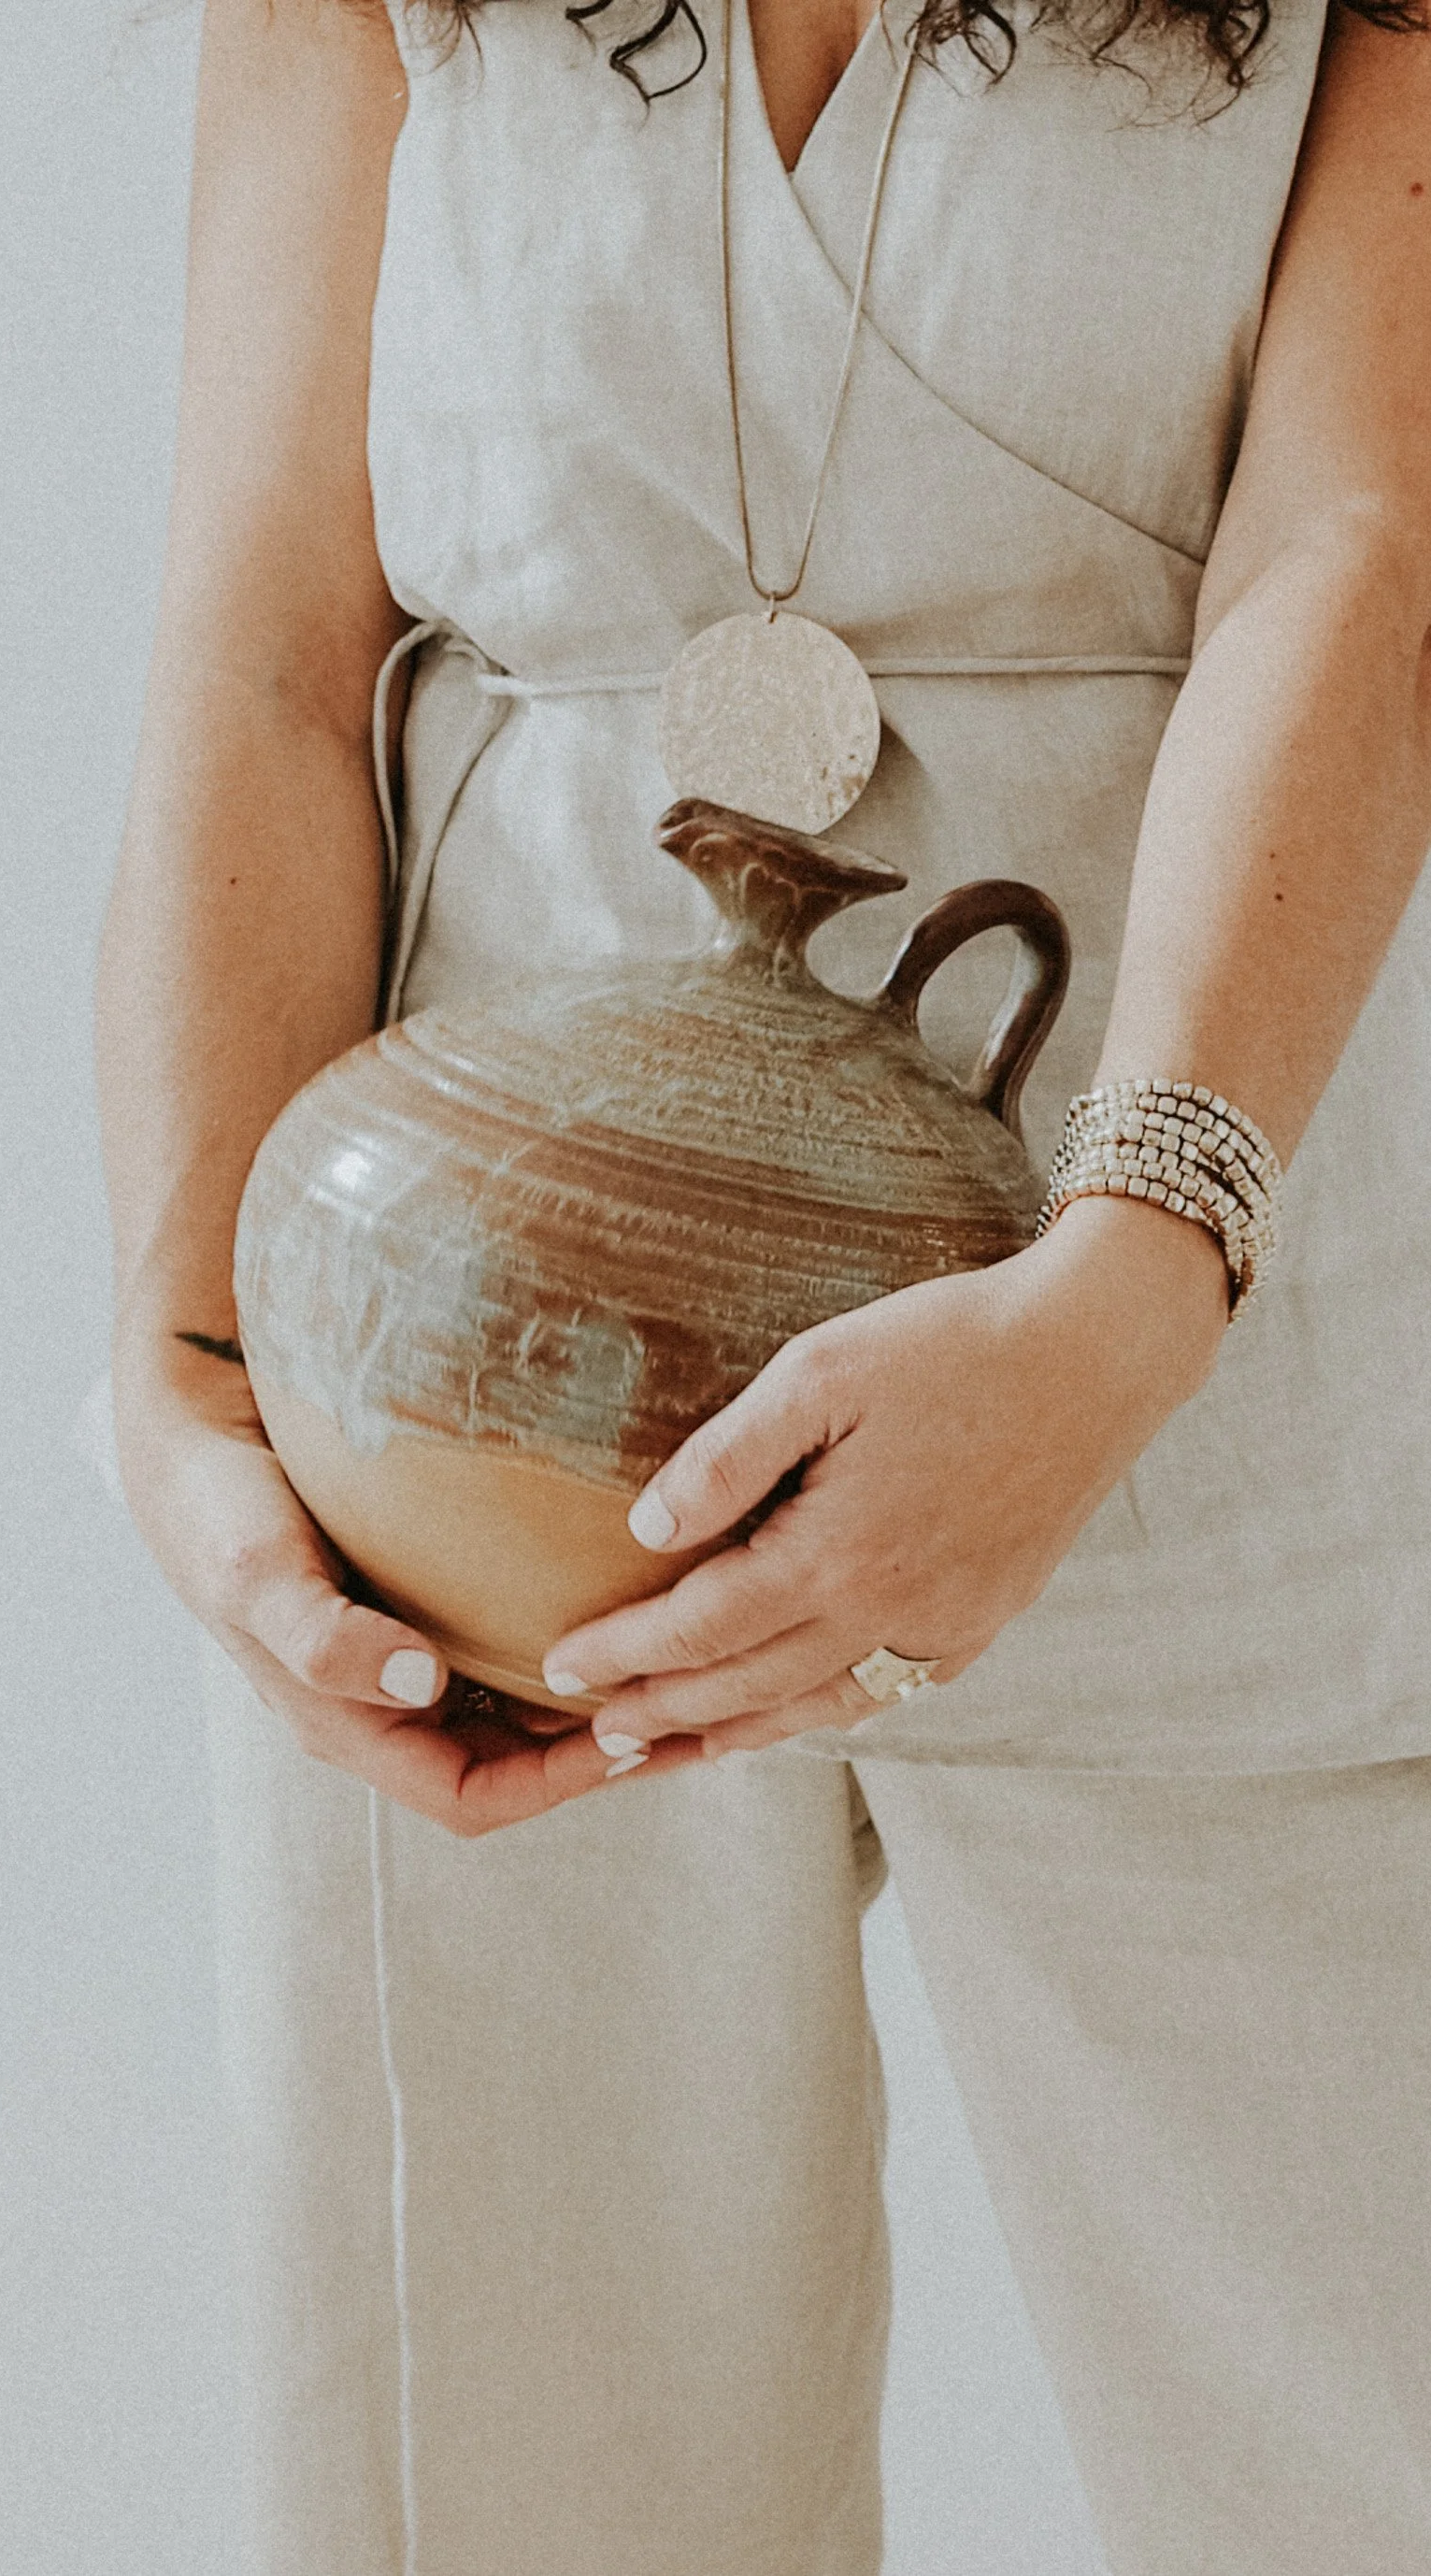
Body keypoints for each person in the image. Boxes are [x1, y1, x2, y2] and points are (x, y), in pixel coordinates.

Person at [95, 0, 1431, 2565]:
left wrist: (1129, 1291)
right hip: (467, 1417)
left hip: (1211, 1311)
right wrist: (192, 1377)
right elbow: (263, 643)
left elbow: (1365, 558)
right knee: (504, 2491)